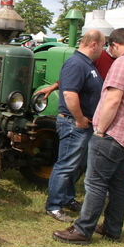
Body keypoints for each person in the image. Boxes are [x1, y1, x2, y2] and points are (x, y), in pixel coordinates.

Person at [53, 28, 124, 244]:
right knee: (117, 184)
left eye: (109, 47)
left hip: (114, 133)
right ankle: (112, 228)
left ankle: (82, 230)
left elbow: (113, 100)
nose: (108, 52)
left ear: (115, 45)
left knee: (95, 182)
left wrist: (100, 130)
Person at [36, 43, 124, 199]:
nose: (103, 48)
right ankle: (57, 202)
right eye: (102, 44)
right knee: (72, 162)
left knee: (91, 158)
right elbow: (72, 80)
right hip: (85, 119)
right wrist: (54, 87)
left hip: (101, 115)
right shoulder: (95, 58)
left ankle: (118, 181)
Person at [45, 29, 105, 223]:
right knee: (66, 165)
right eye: (102, 45)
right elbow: (70, 94)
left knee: (76, 165)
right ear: (93, 44)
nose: (102, 50)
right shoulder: (76, 63)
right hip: (74, 123)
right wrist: (79, 118)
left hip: (82, 124)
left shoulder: (87, 64)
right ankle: (53, 205)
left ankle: (67, 199)